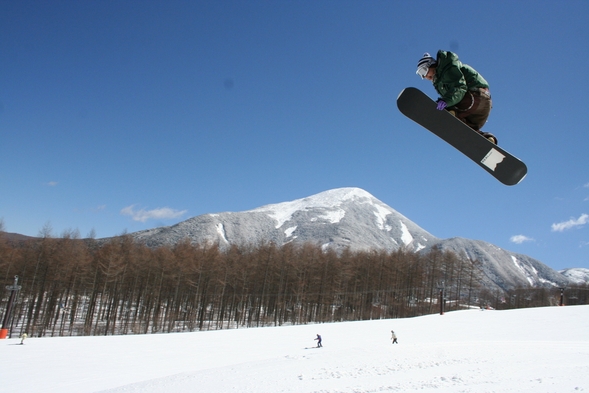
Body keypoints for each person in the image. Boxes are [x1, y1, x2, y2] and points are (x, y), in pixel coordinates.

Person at [416, 50, 497, 144]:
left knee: (444, 112)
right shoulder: (440, 81)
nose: (425, 76)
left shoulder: (447, 69)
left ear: (431, 64)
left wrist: (446, 102)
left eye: (423, 71)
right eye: (421, 75)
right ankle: (487, 140)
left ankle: (451, 113)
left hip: (474, 98)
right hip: (483, 106)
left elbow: (459, 88)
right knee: (467, 129)